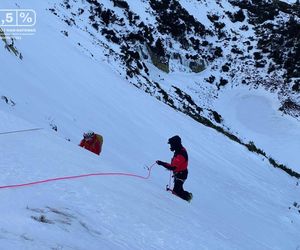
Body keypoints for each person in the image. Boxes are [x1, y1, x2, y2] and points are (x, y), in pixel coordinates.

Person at [156, 135, 192, 202]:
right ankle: (188, 197)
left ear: (175, 144)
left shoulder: (181, 154)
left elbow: (172, 167)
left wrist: (162, 163)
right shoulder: (179, 150)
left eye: (171, 144)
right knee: (179, 190)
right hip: (180, 174)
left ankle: (185, 202)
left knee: (175, 192)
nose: (170, 146)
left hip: (181, 175)